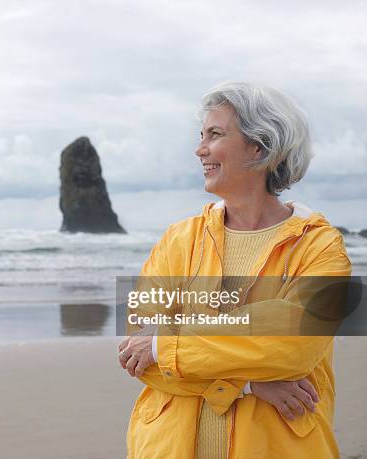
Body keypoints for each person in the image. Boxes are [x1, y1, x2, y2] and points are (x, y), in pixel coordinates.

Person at [118, 81, 351, 458]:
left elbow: (295, 345)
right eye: (201, 135)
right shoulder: (178, 240)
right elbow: (136, 351)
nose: (200, 149)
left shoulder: (319, 246)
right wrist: (248, 384)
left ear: (259, 146)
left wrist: (165, 342)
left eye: (216, 134)